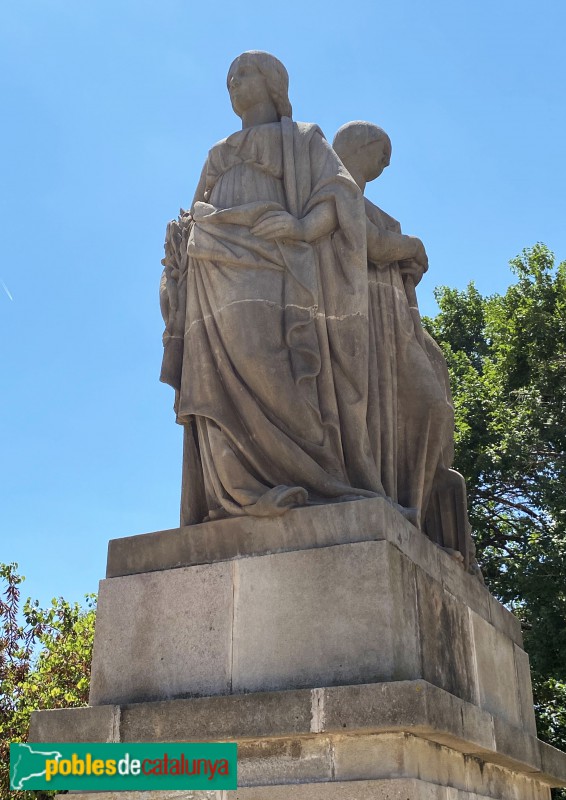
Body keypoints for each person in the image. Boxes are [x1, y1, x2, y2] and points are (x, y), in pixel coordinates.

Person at [160, 53, 386, 524]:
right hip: (212, 270)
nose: (232, 83)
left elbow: (338, 194)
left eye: (243, 74)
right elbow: (194, 208)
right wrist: (181, 239)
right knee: (214, 377)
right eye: (228, 78)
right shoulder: (217, 152)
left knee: (272, 367)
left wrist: (303, 229)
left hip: (274, 265)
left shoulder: (303, 138)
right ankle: (239, 492)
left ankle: (314, 475)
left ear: (273, 83)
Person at [333, 121, 481, 575]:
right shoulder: (332, 187)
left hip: (395, 326)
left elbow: (389, 255)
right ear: (361, 147)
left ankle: (411, 510)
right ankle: (403, 506)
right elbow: (371, 246)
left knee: (434, 405)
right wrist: (410, 245)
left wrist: (406, 258)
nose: (387, 163)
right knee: (424, 408)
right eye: (383, 153)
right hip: (358, 323)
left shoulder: (374, 209)